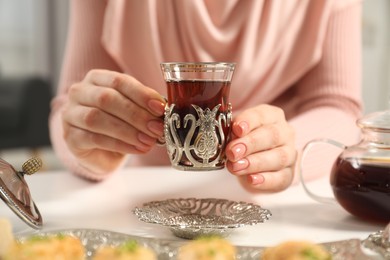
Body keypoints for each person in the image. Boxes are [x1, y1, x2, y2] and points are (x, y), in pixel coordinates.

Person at [49, 0, 363, 193]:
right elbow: (74, 102)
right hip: (144, 199)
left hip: (276, 203)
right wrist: (88, 146)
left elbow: (338, 107)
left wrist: (286, 149)